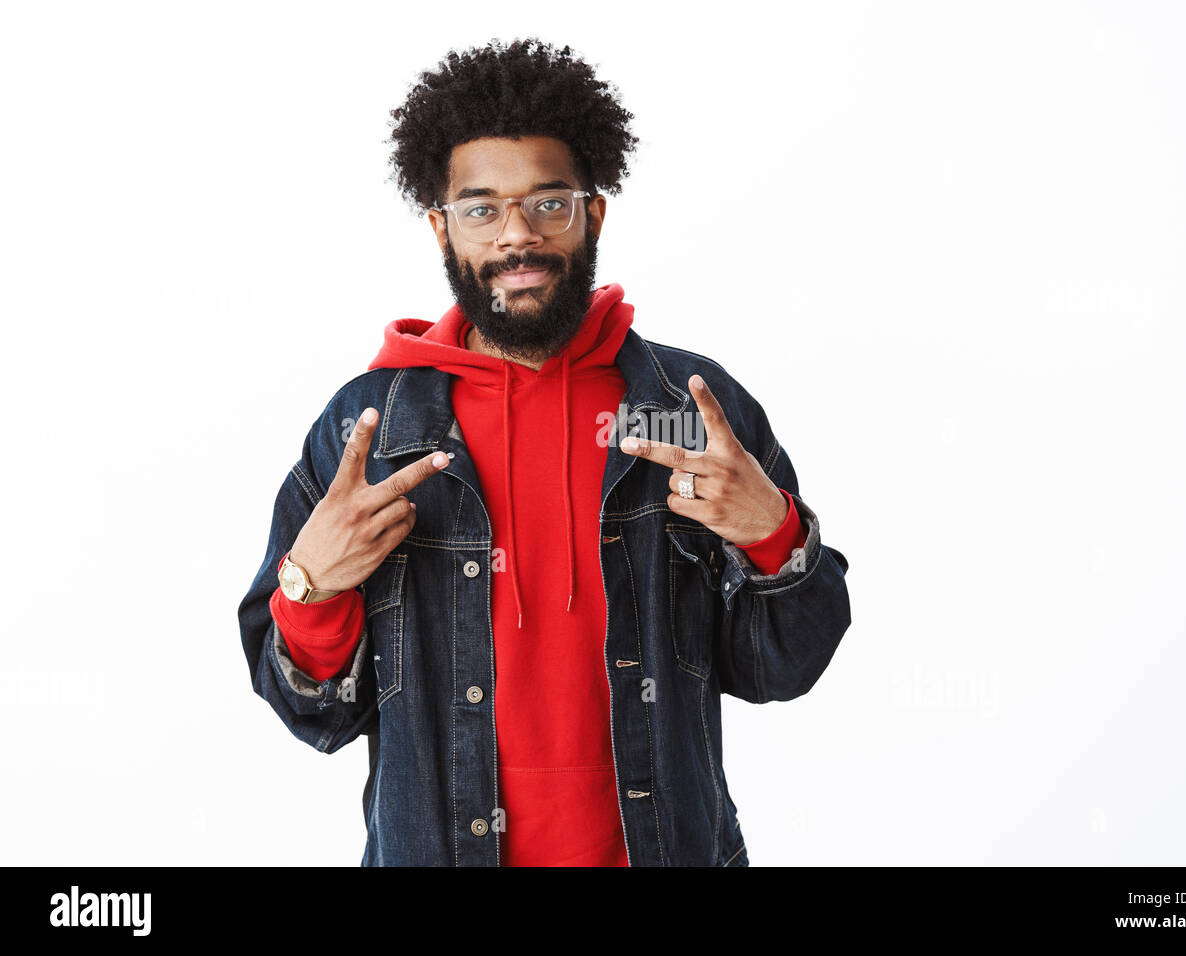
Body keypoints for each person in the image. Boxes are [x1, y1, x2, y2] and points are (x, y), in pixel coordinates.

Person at [237, 37, 851, 866]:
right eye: (482, 209)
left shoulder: (684, 410)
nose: (517, 237)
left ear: (591, 214)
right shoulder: (371, 432)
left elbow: (783, 668)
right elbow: (311, 713)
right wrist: (309, 588)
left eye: (547, 204)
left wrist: (774, 534)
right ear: (442, 229)